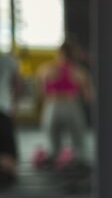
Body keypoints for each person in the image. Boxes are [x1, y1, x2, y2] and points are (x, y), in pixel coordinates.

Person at [35, 40, 93, 169]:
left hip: (52, 105)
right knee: (78, 137)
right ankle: (77, 157)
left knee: (53, 138)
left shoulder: (45, 69)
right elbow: (88, 95)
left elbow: (41, 93)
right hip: (70, 103)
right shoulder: (78, 72)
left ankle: (56, 155)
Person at [0, 51, 20, 188]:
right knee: (8, 154)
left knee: (8, 155)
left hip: (4, 109)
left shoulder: (8, 60)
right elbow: (18, 84)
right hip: (3, 109)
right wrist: (13, 102)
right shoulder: (8, 60)